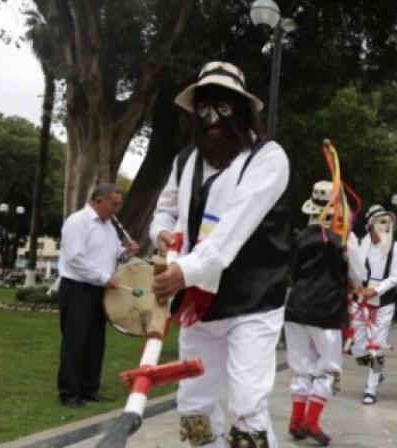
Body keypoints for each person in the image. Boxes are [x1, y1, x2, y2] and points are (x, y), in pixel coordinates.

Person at [150, 61, 290, 448]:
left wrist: (184, 270)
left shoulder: (268, 158)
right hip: (199, 302)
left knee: (246, 405)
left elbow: (232, 230)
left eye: (223, 108)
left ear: (242, 110)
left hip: (254, 299)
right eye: (204, 109)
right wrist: (162, 233)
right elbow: (165, 209)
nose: (212, 119)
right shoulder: (185, 161)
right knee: (193, 403)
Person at [284, 181, 365, 446]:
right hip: (326, 309)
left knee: (301, 366)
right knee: (328, 369)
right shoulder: (345, 240)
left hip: (296, 307)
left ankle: (296, 420)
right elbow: (359, 276)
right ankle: (311, 420)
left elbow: (292, 273)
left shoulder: (301, 236)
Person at [56, 183, 139, 408]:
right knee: (75, 341)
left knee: (95, 342)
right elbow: (75, 258)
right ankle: (69, 393)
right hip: (77, 289)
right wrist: (104, 278)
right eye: (113, 204)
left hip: (100, 290)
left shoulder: (109, 227)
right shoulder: (77, 222)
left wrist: (124, 253)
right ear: (98, 200)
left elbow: (111, 257)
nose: (116, 210)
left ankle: (89, 389)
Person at [350, 205, 397, 405]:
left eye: (388, 222)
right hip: (361, 301)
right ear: (371, 226)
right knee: (359, 349)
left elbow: (394, 277)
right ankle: (377, 370)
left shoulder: (396, 247)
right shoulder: (360, 245)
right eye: (381, 222)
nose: (386, 226)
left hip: (384, 302)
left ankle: (370, 388)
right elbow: (353, 271)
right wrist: (357, 288)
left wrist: (376, 290)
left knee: (377, 347)